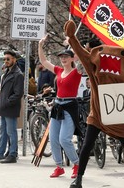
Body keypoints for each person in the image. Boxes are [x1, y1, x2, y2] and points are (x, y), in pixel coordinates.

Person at [64, 20, 124, 188]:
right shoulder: (93, 67)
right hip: (97, 115)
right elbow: (82, 53)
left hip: (118, 115)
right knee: (87, 144)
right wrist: (72, 38)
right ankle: (79, 178)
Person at [38, 35, 82, 179]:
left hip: (70, 106)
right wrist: (40, 45)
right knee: (53, 138)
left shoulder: (77, 72)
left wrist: (72, 43)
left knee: (65, 139)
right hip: (58, 105)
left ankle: (77, 164)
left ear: (71, 58)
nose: (63, 59)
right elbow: (44, 61)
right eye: (61, 57)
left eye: (66, 57)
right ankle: (59, 166)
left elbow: (82, 58)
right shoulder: (58, 71)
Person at [0, 50, 24, 164]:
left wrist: (7, 102)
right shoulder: (7, 72)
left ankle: (12, 154)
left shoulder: (18, 74)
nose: (6, 61)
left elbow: (18, 93)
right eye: (4, 59)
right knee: (3, 131)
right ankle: (0, 154)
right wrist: (0, 91)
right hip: (4, 107)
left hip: (10, 107)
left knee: (11, 132)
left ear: (14, 59)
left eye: (8, 59)